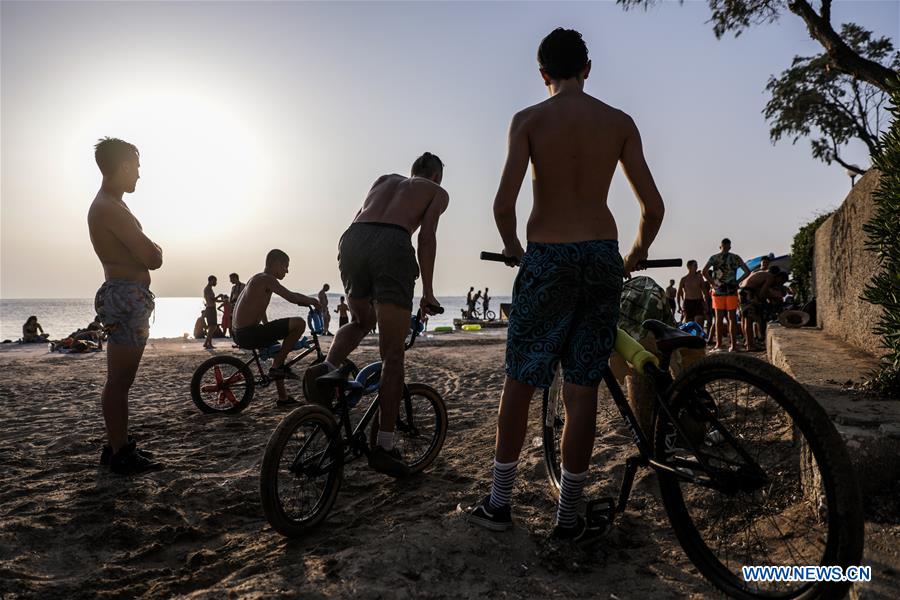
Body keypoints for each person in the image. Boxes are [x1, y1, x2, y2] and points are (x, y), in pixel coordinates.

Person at [463, 28, 664, 546]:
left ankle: (500, 503)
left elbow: (503, 204)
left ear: (542, 74)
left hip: (547, 255)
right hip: (601, 254)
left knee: (521, 381)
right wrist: (636, 253)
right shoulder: (619, 123)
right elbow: (653, 207)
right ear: (588, 68)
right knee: (581, 389)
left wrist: (512, 246)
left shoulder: (529, 120)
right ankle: (568, 516)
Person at [306, 152, 449, 477]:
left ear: (412, 171)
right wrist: (427, 291)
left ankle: (327, 369)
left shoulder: (383, 180)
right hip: (393, 244)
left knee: (360, 320)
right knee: (393, 356)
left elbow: (361, 221)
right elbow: (426, 238)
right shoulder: (436, 192)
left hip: (353, 238)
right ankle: (384, 446)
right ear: (436, 176)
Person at [88, 137, 163, 475]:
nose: (139, 175)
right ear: (121, 166)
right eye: (135, 167)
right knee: (119, 381)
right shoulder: (109, 207)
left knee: (120, 380)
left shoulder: (113, 205)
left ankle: (116, 445)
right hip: (124, 296)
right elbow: (152, 256)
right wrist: (154, 247)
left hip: (127, 295)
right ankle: (120, 452)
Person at [231, 249, 320, 406]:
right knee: (299, 323)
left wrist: (267, 328)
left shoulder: (257, 278)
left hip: (241, 332)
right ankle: (277, 366)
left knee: (278, 351)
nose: (287, 270)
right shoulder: (267, 279)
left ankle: (283, 398)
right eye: (285, 266)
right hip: (248, 333)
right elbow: (291, 297)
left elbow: (259, 307)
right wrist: (312, 301)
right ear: (275, 263)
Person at [702, 238, 751, 352]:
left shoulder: (714, 258)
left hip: (718, 290)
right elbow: (747, 271)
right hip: (731, 290)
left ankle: (718, 345)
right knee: (732, 318)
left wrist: (713, 283)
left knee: (718, 319)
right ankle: (733, 345)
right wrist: (737, 281)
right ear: (729, 246)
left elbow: (704, 271)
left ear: (720, 246)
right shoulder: (735, 257)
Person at [739, 266, 789, 351]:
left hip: (743, 292)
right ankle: (750, 345)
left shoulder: (762, 274)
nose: (780, 284)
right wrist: (771, 298)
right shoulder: (770, 277)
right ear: (779, 277)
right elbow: (762, 293)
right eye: (781, 282)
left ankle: (748, 342)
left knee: (746, 319)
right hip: (748, 293)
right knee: (749, 319)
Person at [677, 260, 709, 326]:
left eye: (696, 265)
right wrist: (679, 305)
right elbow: (679, 292)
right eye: (695, 265)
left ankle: (698, 336)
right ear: (689, 267)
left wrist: (706, 303)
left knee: (699, 322)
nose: (696, 267)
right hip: (688, 302)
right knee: (689, 324)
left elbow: (704, 290)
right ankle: (691, 336)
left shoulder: (699, 277)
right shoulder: (684, 279)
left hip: (698, 301)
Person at [203, 276, 218, 349]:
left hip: (211, 308)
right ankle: (207, 343)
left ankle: (208, 343)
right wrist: (220, 296)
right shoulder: (208, 289)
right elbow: (212, 299)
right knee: (213, 326)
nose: (216, 283)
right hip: (210, 308)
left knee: (212, 327)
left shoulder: (209, 289)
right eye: (215, 281)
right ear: (211, 280)